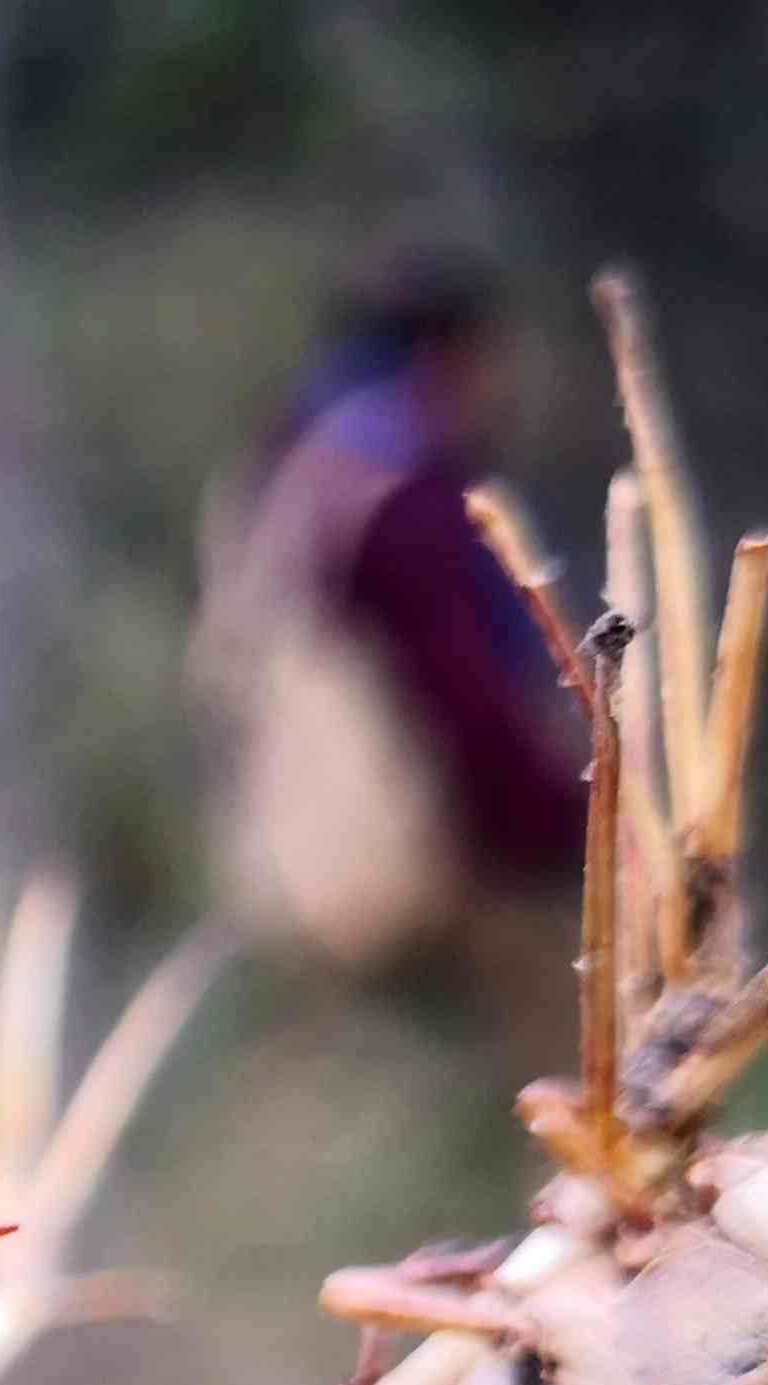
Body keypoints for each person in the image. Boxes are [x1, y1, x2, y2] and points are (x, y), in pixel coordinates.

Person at [197, 247, 588, 970]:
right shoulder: (398, 496)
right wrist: (568, 828)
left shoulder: (290, 468)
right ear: (448, 354)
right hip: (442, 866)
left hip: (318, 873)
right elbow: (465, 698)